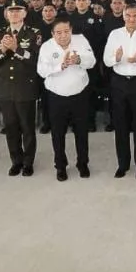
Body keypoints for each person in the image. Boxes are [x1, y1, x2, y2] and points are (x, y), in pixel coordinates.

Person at [37, 18, 96, 181]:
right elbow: (41, 70)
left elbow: (92, 62)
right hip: (56, 96)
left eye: (66, 32)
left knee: (82, 131)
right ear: (52, 33)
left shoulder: (81, 40)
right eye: (59, 33)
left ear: (71, 31)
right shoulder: (47, 46)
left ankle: (83, 163)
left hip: (80, 94)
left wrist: (79, 60)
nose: (63, 36)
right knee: (58, 133)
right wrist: (59, 67)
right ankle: (60, 166)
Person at [0, 0, 42, 176]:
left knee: (27, 127)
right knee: (11, 127)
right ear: (6, 14)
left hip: (25, 87)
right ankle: (16, 161)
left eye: (18, 10)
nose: (14, 13)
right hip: (5, 88)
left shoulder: (33, 33)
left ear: (25, 13)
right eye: (11, 11)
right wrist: (3, 50)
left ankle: (28, 162)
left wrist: (17, 49)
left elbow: (35, 60)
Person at [103, 4, 136, 179]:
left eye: (135, 16)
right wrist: (116, 58)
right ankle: (123, 165)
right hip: (119, 82)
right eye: (128, 15)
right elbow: (106, 60)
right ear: (123, 16)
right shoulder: (115, 34)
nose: (132, 19)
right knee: (121, 125)